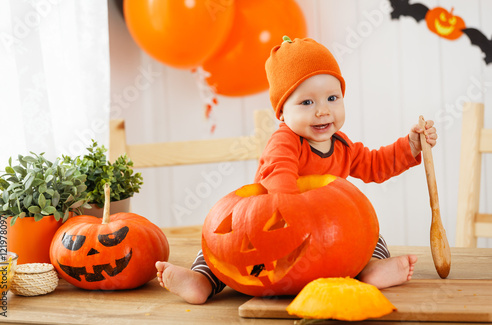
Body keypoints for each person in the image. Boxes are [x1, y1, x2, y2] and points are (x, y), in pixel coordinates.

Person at [156, 36, 437, 305]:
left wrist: (410, 147)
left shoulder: (342, 145)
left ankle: (372, 269)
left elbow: (376, 164)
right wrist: (292, 208)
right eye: (307, 102)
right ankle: (202, 281)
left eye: (332, 98)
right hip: (275, 227)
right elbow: (279, 171)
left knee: (369, 234)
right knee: (224, 247)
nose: (322, 111)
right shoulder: (285, 141)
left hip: (328, 232)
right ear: (282, 112)